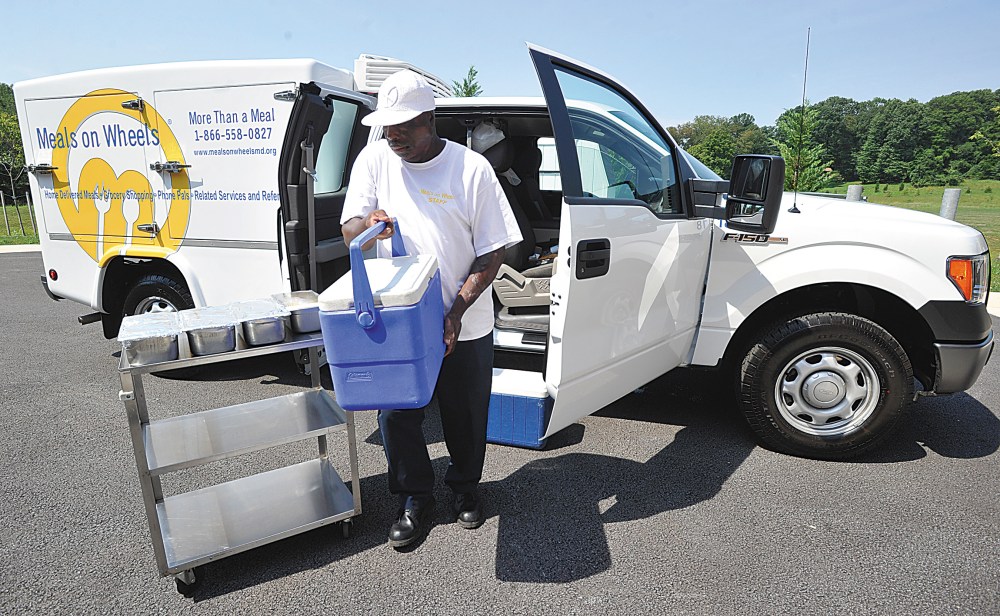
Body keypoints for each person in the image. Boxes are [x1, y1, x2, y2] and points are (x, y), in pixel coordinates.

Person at [340, 69, 522, 549]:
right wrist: (367, 222)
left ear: (430, 119)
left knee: (465, 413)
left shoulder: (470, 170)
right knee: (398, 415)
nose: (393, 136)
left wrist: (456, 311)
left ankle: (465, 488)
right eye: (387, 126)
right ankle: (413, 499)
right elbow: (349, 226)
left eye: (404, 126)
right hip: (399, 322)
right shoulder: (375, 158)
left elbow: (493, 250)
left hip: (466, 318)